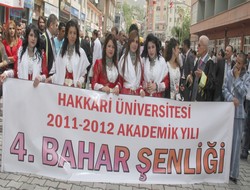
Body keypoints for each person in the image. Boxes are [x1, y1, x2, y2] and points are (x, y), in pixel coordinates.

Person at [223, 52, 250, 184]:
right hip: (227, 112)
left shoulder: (247, 77)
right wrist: (230, 98)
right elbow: (224, 89)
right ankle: (224, 170)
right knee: (227, 142)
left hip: (239, 115)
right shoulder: (229, 72)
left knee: (236, 144)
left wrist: (238, 79)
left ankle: (234, 173)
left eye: (239, 63)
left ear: (244, 64)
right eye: (236, 61)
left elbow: (244, 92)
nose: (237, 65)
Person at [46, 20, 89, 88]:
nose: (72, 36)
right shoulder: (61, 52)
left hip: (75, 91)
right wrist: (51, 78)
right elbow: (58, 73)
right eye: (70, 33)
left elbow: (83, 74)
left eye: (74, 33)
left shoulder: (81, 53)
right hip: (62, 91)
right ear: (67, 35)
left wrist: (79, 82)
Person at [188, 35, 215, 101]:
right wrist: (190, 77)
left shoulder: (210, 63)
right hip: (194, 98)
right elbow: (193, 77)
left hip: (202, 101)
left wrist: (202, 77)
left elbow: (212, 85)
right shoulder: (198, 61)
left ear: (205, 48)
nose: (197, 47)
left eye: (199, 45)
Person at [118, 30, 145, 96]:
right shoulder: (123, 59)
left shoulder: (140, 61)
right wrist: (117, 87)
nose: (134, 44)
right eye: (132, 41)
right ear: (129, 42)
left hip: (137, 96)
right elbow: (119, 81)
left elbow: (141, 82)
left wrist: (141, 90)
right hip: (125, 96)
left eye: (136, 42)